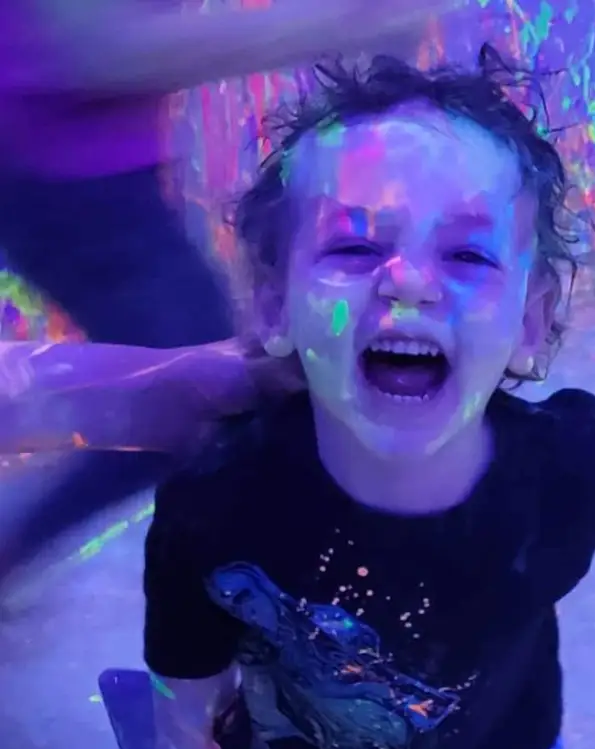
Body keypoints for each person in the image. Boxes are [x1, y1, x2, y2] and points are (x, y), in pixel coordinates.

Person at [3, 47, 595, 749]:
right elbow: (184, 646)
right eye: (354, 246)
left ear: (532, 319)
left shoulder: (571, 469)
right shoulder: (219, 490)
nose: (409, 282)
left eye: (466, 254)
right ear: (271, 306)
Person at [0, 0, 453, 573]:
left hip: (87, 176)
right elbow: (101, 53)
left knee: (201, 397)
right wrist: (339, 24)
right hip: (63, 183)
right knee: (197, 399)